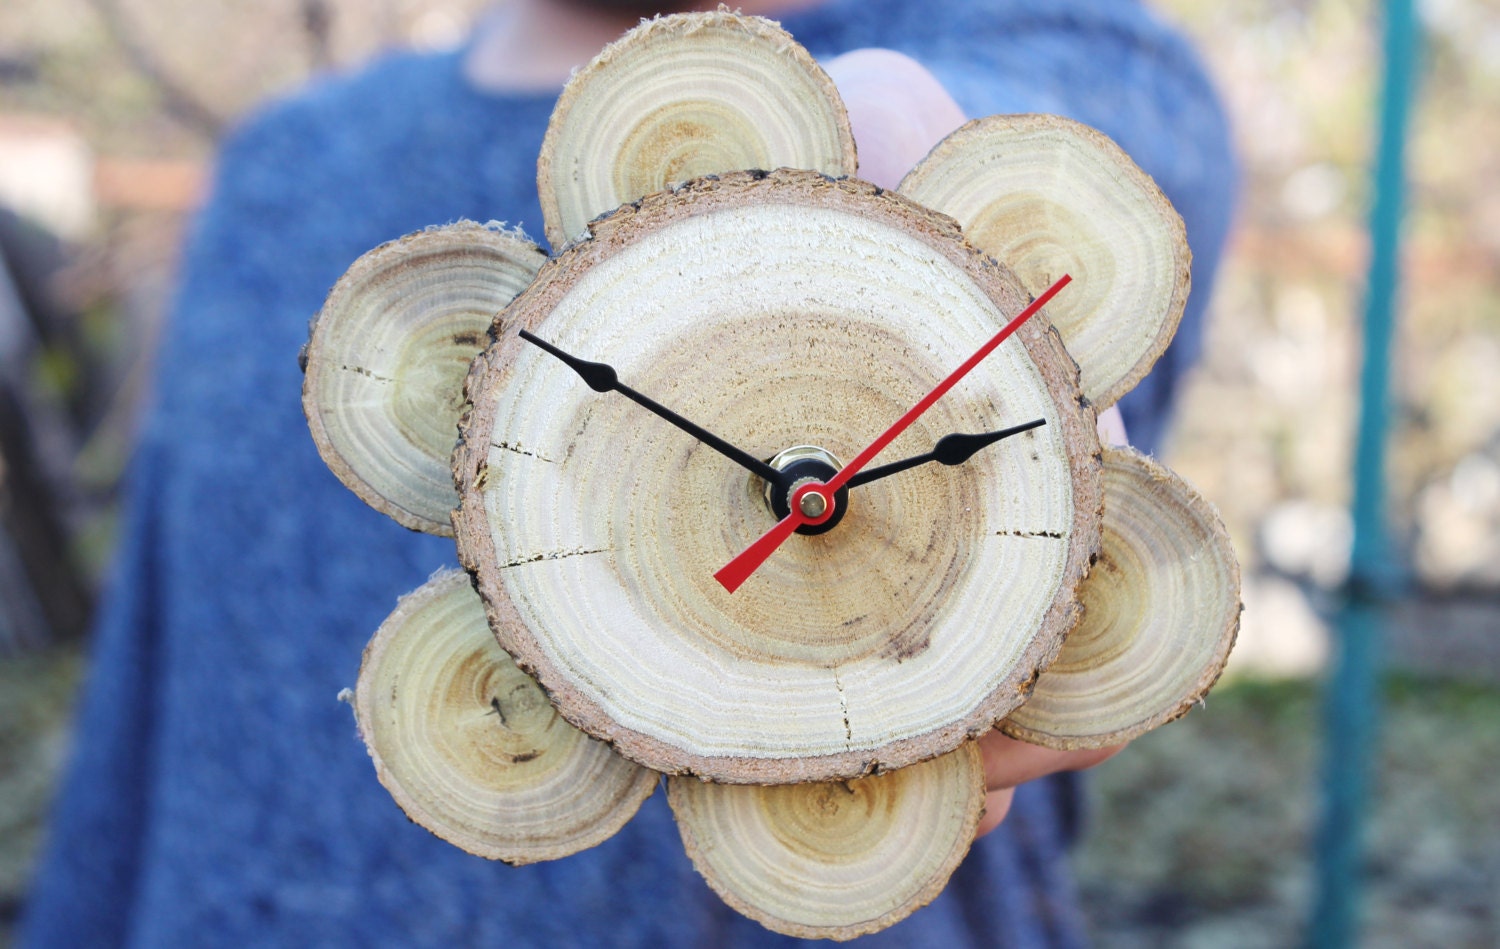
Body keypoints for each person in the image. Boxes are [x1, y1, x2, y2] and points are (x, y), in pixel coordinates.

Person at [21, 0, 1236, 944]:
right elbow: (151, 689)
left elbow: (1042, 144)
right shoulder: (284, 163)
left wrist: (908, 154)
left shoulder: (1083, 62)